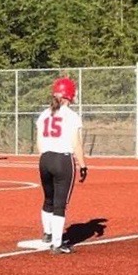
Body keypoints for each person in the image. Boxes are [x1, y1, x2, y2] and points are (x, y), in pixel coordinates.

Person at [36, 78, 88, 255]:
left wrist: (47, 155)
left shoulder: (44, 114)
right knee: (60, 203)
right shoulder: (71, 116)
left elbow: (39, 143)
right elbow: (76, 143)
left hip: (45, 159)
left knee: (48, 199)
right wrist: (83, 165)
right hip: (62, 160)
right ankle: (57, 244)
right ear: (69, 95)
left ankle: (48, 234)